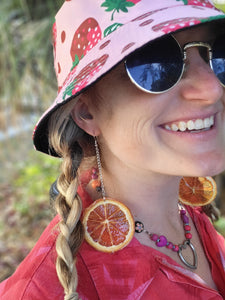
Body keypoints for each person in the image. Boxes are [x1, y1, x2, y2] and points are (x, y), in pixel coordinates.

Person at [1, 0, 225, 299]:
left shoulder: (188, 212)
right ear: (87, 113)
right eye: (155, 62)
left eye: (217, 54)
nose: (212, 88)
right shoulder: (44, 290)